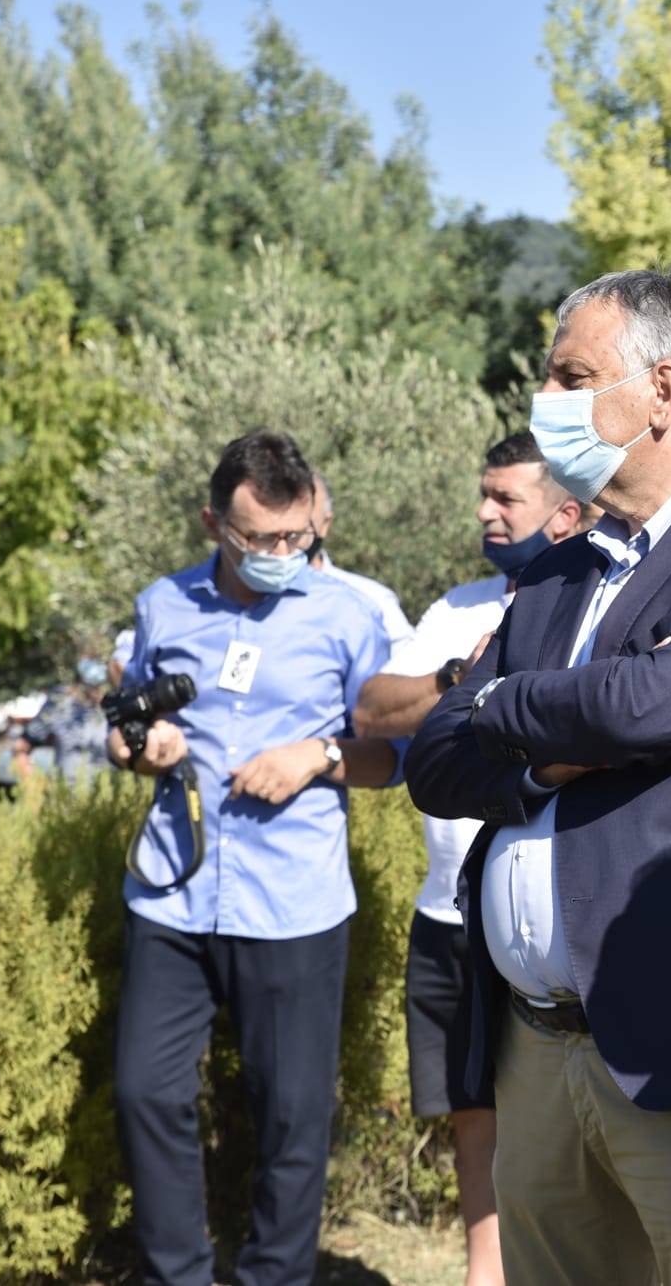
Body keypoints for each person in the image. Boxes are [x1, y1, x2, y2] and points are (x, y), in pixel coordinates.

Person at [403, 265, 671, 1286]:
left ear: (661, 390)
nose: (544, 402)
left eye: (571, 376)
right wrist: (540, 750)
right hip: (536, 1047)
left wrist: (499, 707)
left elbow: (658, 702)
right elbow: (432, 758)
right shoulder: (559, 567)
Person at [108, 430, 401, 1286]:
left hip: (293, 903)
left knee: (292, 1118)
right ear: (214, 523)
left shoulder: (348, 613)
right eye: (258, 539)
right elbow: (120, 730)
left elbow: (390, 760)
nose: (281, 555)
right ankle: (178, 1276)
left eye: (294, 536)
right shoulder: (163, 604)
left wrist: (318, 754)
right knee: (145, 1093)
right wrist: (142, 746)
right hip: (173, 891)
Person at [352, 431, 584, 1286]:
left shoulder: (596, 605)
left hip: (548, 917)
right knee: (471, 1110)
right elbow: (375, 710)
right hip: (448, 914)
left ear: (565, 511)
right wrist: (462, 670)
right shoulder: (457, 608)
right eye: (482, 495)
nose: (485, 513)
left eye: (505, 499)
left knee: (562, 1108)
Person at [308, 472, 416, 657]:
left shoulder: (372, 601)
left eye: (303, 520)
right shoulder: (244, 598)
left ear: (325, 523)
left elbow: (409, 671)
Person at [25, 658, 114, 783]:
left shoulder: (113, 705)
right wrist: (32, 789)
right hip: (67, 795)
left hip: (108, 794)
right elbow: (22, 747)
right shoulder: (60, 701)